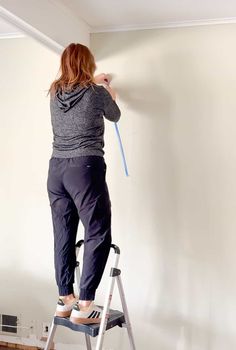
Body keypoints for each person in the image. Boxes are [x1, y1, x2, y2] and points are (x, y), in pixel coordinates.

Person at [47, 43, 121, 325]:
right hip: (84, 167)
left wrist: (95, 82)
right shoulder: (97, 93)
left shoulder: (55, 93)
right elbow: (114, 114)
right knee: (98, 231)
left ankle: (65, 297)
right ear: (88, 64)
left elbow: (77, 90)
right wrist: (108, 89)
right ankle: (86, 303)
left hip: (56, 169)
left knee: (63, 232)